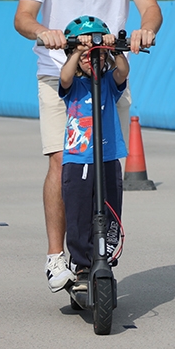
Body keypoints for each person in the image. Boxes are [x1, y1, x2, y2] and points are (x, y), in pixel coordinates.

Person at [14, 0, 162, 293]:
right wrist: (45, 32)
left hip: (109, 73)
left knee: (107, 164)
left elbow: (149, 6)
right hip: (59, 72)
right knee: (65, 162)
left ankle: (99, 252)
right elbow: (23, 16)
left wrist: (143, 31)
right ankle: (55, 257)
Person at [59, 19, 129, 291]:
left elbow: (122, 72)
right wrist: (78, 49)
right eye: (86, 56)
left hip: (108, 158)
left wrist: (115, 50)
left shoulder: (109, 83)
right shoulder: (74, 86)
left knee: (110, 210)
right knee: (77, 213)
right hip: (79, 161)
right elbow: (64, 78)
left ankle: (105, 256)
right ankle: (82, 265)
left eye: (96, 54)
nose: (91, 58)